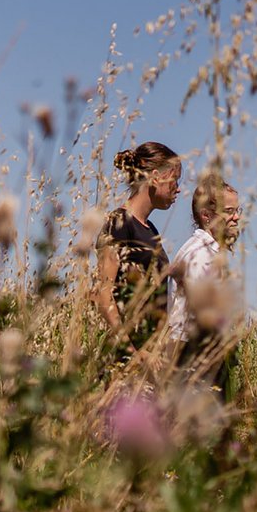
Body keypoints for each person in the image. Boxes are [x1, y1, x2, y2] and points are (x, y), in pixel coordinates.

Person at [97, 142, 180, 363]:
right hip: (127, 362)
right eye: (174, 180)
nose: (178, 188)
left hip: (153, 359)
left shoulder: (150, 229)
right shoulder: (119, 222)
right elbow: (103, 297)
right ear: (155, 178)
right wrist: (133, 354)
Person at [167, 173, 243, 395]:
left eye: (238, 211)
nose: (236, 218)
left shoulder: (210, 253)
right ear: (207, 216)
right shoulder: (200, 255)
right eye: (229, 212)